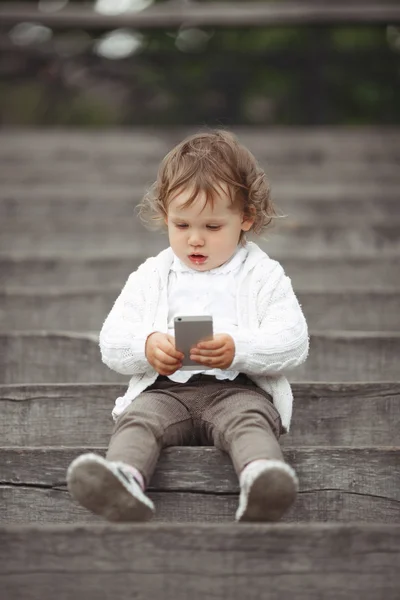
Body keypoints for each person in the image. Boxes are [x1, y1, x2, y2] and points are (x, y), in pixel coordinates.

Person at [67, 129, 309, 523]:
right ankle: (123, 479)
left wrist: (239, 348)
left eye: (213, 228)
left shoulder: (263, 274)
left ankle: (261, 480)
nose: (195, 240)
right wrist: (147, 345)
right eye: (182, 226)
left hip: (237, 391)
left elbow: (293, 341)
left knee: (250, 421)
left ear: (245, 218)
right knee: (139, 419)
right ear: (165, 216)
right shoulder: (152, 275)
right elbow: (111, 341)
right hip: (166, 393)